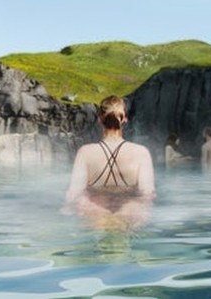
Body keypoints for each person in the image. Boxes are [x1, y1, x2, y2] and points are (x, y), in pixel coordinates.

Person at [64, 95, 156, 229]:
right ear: (124, 119)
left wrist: (67, 208)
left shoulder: (85, 153)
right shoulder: (142, 153)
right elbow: (148, 194)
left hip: (95, 214)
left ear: (100, 119)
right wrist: (134, 209)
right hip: (130, 213)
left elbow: (74, 193)